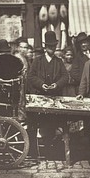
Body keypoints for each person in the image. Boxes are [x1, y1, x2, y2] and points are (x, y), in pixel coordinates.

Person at [28, 31, 68, 159]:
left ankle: (51, 151)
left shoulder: (59, 62)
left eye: (54, 46)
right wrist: (41, 84)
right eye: (50, 46)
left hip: (54, 98)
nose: (52, 49)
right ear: (45, 47)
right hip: (39, 97)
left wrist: (57, 85)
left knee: (52, 125)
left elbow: (65, 77)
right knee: (34, 124)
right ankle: (33, 151)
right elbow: (31, 76)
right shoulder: (37, 61)